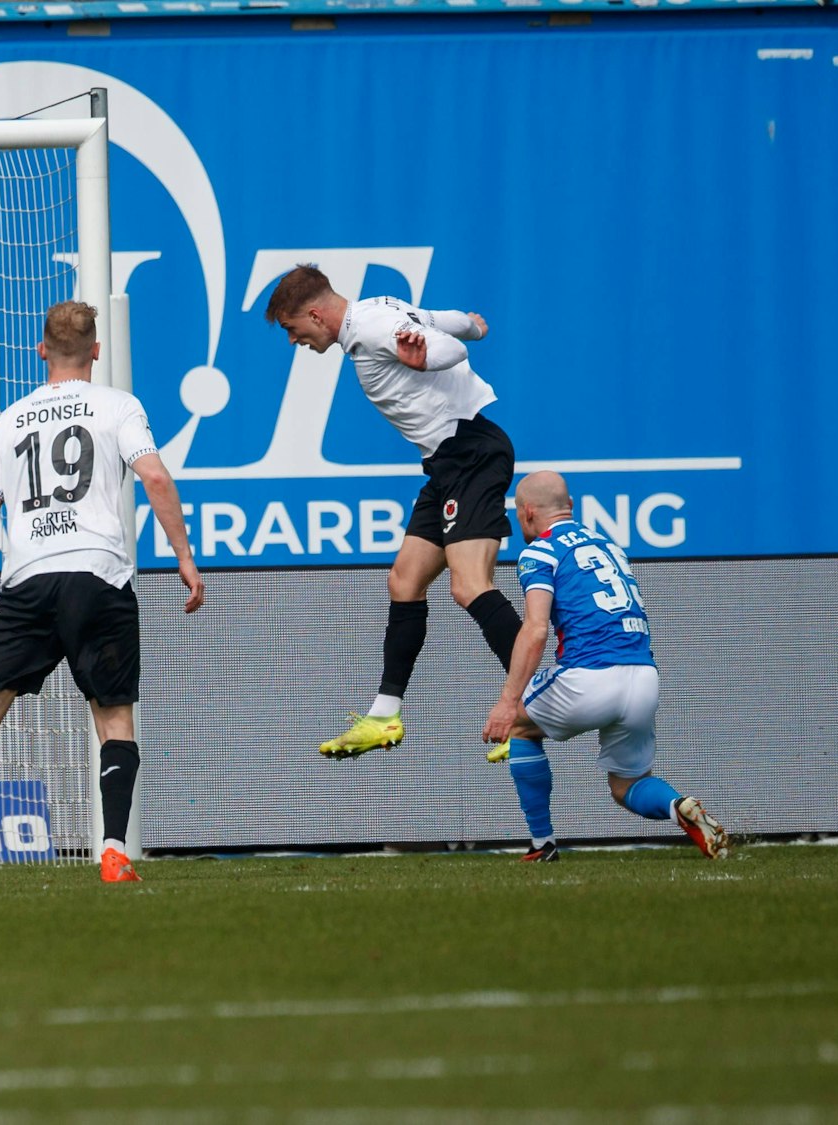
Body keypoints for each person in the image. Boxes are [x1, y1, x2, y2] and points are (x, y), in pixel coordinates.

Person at [0, 300, 203, 889]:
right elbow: (154, 476)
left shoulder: (9, 420)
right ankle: (113, 852)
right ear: (97, 351)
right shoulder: (118, 405)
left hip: (27, 582)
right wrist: (183, 557)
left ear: (41, 350)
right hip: (99, 577)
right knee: (115, 720)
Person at [262, 266, 523, 760]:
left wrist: (435, 354)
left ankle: (535, 704)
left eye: (294, 330)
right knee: (405, 581)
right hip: (446, 463)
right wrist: (471, 323)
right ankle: (384, 714)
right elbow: (441, 320)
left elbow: (450, 348)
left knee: (469, 586)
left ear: (315, 314)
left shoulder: (374, 328)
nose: (296, 341)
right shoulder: (378, 309)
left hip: (471, 454)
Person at [482, 471, 728, 861]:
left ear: (527, 512)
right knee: (626, 784)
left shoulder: (540, 551)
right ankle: (678, 805)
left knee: (517, 727)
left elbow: (535, 630)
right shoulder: (610, 546)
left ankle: (542, 844)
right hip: (644, 678)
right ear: (571, 507)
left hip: (591, 676)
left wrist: (508, 701)